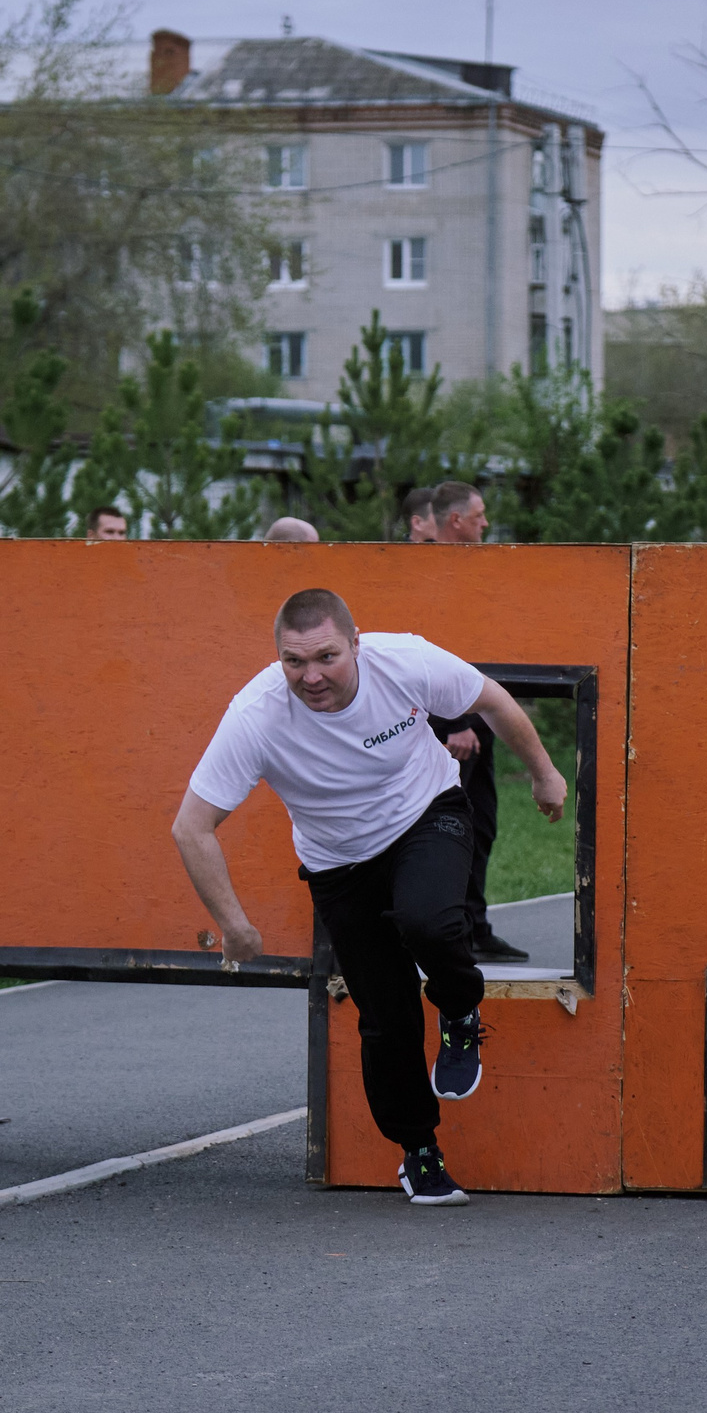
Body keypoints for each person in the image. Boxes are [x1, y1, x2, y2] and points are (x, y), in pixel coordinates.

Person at [172, 588, 568, 1206]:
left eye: (326, 657)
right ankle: (419, 1152)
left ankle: (461, 1013)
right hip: (338, 864)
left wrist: (544, 773)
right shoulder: (256, 714)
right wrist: (234, 923)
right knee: (385, 1019)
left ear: (356, 645)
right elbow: (191, 826)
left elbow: (492, 701)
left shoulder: (404, 660)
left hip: (427, 814)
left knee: (429, 922)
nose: (312, 677)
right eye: (294, 662)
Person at [419, 482, 527, 963]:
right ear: (455, 521)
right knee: (444, 826)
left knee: (482, 823)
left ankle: (474, 928)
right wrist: (457, 721)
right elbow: (432, 655)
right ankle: (447, 934)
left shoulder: (477, 569)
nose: (486, 524)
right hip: (446, 724)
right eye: (479, 515)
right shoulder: (427, 572)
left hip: (478, 716)